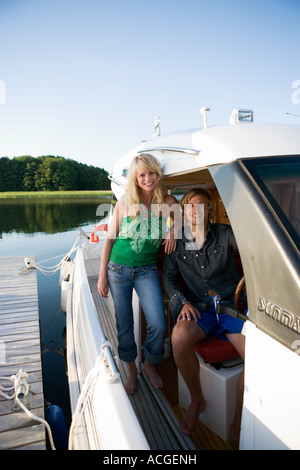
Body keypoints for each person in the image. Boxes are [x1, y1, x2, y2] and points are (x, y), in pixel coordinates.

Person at [162, 188, 245, 443]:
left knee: (257, 357)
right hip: (199, 307)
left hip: (231, 308)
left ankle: (238, 423)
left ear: (209, 209)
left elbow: (251, 247)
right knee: (178, 338)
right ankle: (197, 400)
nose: (194, 210)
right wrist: (182, 302)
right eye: (189, 206)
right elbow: (168, 277)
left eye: (199, 205)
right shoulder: (176, 241)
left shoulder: (225, 233)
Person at [98, 154, 178, 395]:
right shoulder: (125, 202)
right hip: (118, 270)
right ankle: (132, 372)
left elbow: (177, 221)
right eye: (142, 175)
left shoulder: (168, 200)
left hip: (147, 270)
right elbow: (109, 240)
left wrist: (172, 229)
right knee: (124, 323)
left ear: (157, 174)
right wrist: (102, 275)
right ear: (135, 178)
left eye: (151, 173)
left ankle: (149, 363)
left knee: (158, 322)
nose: (147, 178)